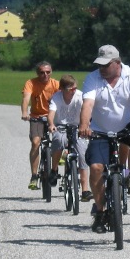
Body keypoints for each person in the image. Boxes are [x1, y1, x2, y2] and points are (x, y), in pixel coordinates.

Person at [79, 45, 130, 233]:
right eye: (100, 64)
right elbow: (87, 104)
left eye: (106, 65)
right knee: (96, 168)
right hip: (100, 129)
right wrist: (84, 126)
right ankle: (101, 211)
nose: (102, 68)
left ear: (117, 63)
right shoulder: (93, 78)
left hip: (127, 125)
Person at [47, 74, 92, 202]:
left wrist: (87, 125)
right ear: (62, 89)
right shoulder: (56, 97)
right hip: (60, 126)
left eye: (75, 88)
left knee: (82, 153)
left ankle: (85, 190)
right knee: (58, 141)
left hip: (78, 127)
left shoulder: (80, 96)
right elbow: (51, 114)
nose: (73, 91)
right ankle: (54, 170)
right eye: (70, 89)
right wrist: (51, 125)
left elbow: (87, 111)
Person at [21, 61, 60, 190]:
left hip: (53, 117)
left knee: (61, 139)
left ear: (51, 72)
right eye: (42, 72)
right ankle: (34, 175)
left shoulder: (55, 84)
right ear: (37, 73)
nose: (45, 75)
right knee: (36, 142)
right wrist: (25, 112)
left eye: (48, 72)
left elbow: (63, 98)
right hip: (36, 117)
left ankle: (60, 157)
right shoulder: (31, 83)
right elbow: (26, 98)